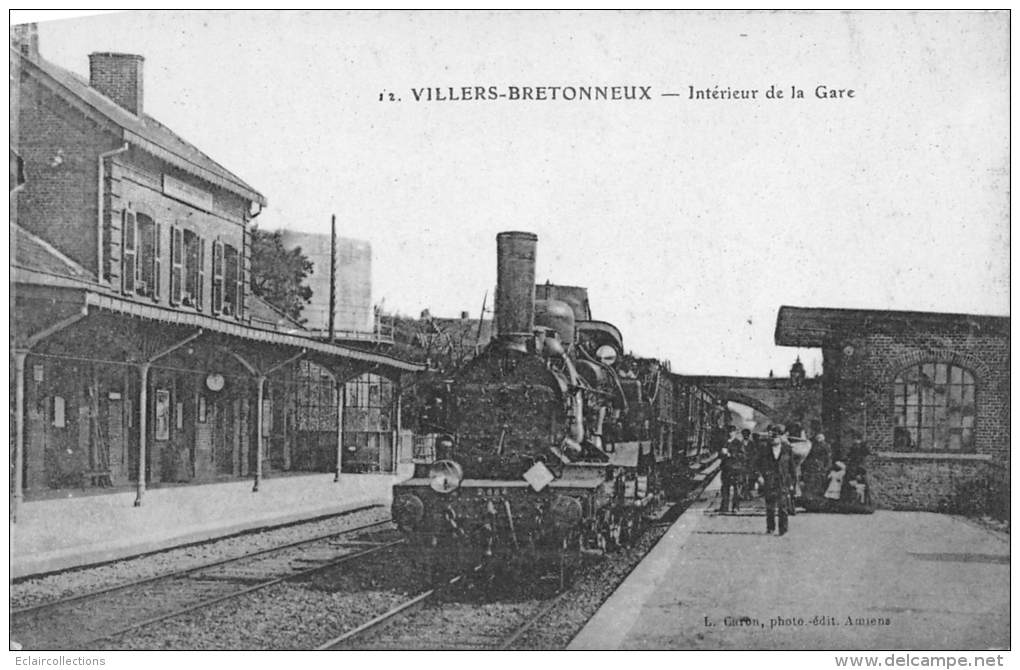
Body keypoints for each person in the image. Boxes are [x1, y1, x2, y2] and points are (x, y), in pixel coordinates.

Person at [755, 431, 797, 535]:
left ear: (780, 438)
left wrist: (792, 482)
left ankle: (783, 529)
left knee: (783, 506)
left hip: (783, 481)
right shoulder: (764, 450)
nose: (774, 439)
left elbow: (792, 467)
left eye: (776, 437)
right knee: (770, 506)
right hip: (769, 481)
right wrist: (759, 476)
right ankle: (770, 528)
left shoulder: (787, 450)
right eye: (772, 438)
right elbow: (756, 465)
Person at [718, 425, 744, 513]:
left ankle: (735, 507)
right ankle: (724, 507)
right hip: (726, 468)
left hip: (735, 469)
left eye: (732, 432)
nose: (730, 434)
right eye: (729, 432)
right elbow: (719, 456)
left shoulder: (738, 443)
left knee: (736, 489)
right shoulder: (724, 442)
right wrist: (721, 453)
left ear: (735, 433)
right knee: (725, 488)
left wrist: (730, 454)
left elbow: (742, 455)